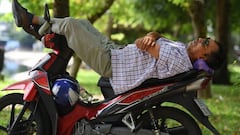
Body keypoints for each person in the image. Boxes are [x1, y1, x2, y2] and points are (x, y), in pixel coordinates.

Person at [12, 0, 224, 94]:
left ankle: (33, 21)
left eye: (205, 43)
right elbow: (155, 39)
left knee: (70, 26)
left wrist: (149, 39)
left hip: (112, 64)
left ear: (204, 57)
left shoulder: (180, 59)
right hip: (116, 52)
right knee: (82, 23)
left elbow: (145, 44)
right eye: (205, 38)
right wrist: (154, 35)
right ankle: (38, 28)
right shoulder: (181, 50)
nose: (201, 39)